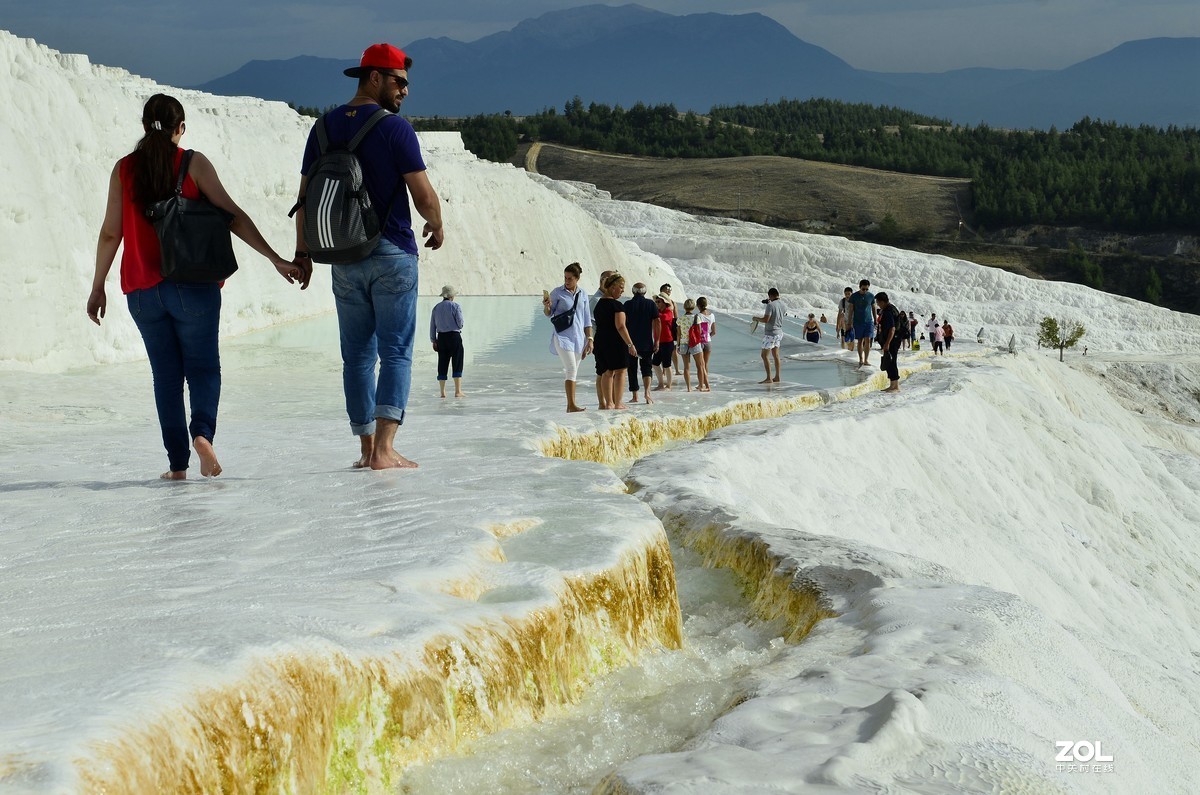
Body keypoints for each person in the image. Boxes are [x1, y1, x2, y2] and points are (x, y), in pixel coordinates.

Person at [87, 93, 306, 481]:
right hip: (193, 286)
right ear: (181, 128)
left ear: (144, 126)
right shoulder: (193, 163)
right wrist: (275, 258)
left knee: (166, 378)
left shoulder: (124, 169)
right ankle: (202, 435)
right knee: (203, 368)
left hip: (142, 292)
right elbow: (233, 216)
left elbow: (110, 233)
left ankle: (177, 466)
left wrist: (97, 286)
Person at [294, 43, 444, 470]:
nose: (405, 91)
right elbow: (423, 195)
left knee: (357, 356)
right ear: (375, 77)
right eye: (399, 82)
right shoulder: (396, 129)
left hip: (343, 255)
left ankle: (365, 449)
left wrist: (302, 253)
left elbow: (304, 199)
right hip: (392, 253)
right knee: (395, 351)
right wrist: (437, 223)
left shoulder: (322, 128)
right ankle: (384, 450)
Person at [543, 262, 593, 413]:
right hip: (562, 336)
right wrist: (547, 306)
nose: (566, 281)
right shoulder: (557, 292)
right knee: (571, 368)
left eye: (570, 278)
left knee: (574, 371)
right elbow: (548, 314)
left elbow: (587, 320)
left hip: (579, 338)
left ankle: (570, 405)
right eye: (565, 277)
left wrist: (590, 339)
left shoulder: (583, 294)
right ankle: (571, 405)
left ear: (577, 278)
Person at [593, 273, 637, 409]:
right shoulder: (617, 305)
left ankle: (609, 403)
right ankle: (618, 403)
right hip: (615, 342)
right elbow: (621, 326)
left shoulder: (598, 304)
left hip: (600, 341)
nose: (623, 290)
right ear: (612, 287)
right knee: (620, 371)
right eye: (621, 287)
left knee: (606, 372)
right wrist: (630, 344)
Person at [624, 283, 660, 405]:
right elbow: (657, 322)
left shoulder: (627, 304)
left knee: (632, 369)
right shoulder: (650, 304)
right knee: (647, 368)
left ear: (633, 291)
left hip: (631, 342)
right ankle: (647, 393)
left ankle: (635, 396)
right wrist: (657, 340)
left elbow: (622, 324)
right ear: (644, 292)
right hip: (646, 342)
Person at [430, 285, 465, 398]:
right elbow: (460, 324)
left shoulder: (436, 308)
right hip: (454, 336)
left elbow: (432, 326)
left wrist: (433, 340)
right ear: (451, 296)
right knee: (457, 362)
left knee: (442, 363)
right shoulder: (455, 306)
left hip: (441, 338)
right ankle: (458, 391)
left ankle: (442, 392)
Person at [752, 287, 785, 383]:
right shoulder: (783, 304)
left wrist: (756, 318)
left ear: (770, 295)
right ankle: (777, 377)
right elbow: (777, 314)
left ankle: (768, 378)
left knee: (764, 355)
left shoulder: (770, 305)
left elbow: (766, 319)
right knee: (776, 355)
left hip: (771, 334)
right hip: (779, 333)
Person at [678, 299, 708, 392]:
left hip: (683, 343)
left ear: (684, 307)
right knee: (699, 366)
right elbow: (699, 331)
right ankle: (701, 386)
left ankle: (688, 387)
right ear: (694, 307)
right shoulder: (696, 317)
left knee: (686, 367)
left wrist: (678, 345)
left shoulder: (680, 319)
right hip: (695, 343)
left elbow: (678, 334)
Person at [876, 292, 904, 393]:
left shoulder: (888, 311)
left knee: (891, 362)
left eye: (878, 302)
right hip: (893, 339)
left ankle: (895, 386)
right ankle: (893, 385)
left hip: (892, 340)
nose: (878, 304)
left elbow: (892, 329)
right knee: (890, 361)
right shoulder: (890, 308)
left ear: (882, 302)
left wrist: (887, 343)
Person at [848, 279, 876, 366]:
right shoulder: (854, 296)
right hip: (858, 321)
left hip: (869, 321)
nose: (865, 291)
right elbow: (851, 310)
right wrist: (849, 322)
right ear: (859, 287)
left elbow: (873, 308)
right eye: (863, 289)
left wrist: (875, 319)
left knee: (868, 339)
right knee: (860, 340)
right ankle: (861, 358)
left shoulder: (871, 296)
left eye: (867, 289)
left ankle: (866, 360)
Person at [652, 293, 675, 391]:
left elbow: (663, 318)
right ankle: (661, 384)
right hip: (658, 342)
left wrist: (653, 313)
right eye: (656, 302)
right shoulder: (657, 312)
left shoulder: (668, 312)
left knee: (667, 364)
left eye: (659, 302)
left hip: (667, 342)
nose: (657, 303)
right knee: (655, 363)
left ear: (664, 303)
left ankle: (669, 386)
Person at [660, 283, 683, 376]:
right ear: (662, 290)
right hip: (662, 326)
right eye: (667, 289)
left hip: (671, 326)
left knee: (673, 349)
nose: (669, 290)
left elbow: (676, 317)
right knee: (662, 348)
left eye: (670, 289)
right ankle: (664, 370)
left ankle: (677, 369)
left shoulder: (673, 302)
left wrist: (678, 329)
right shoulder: (658, 301)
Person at [695, 297, 715, 391]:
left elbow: (697, 331)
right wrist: (708, 336)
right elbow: (714, 331)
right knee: (705, 364)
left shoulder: (698, 315)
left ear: (698, 305)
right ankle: (705, 382)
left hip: (700, 342)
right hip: (708, 341)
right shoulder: (712, 315)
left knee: (700, 365)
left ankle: (701, 384)